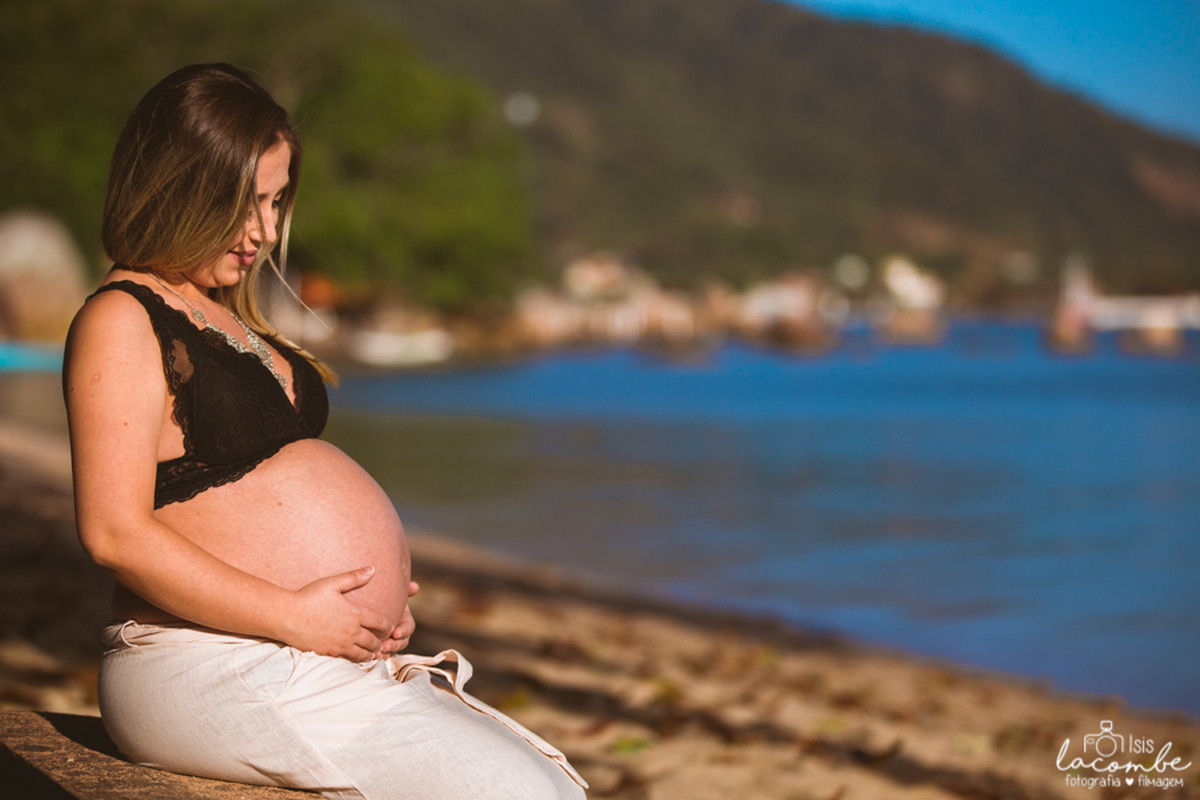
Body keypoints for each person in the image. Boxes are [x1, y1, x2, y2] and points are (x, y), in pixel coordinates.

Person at [62, 63, 587, 800]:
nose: (267, 230)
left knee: (554, 786)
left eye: (276, 201)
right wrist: (294, 613)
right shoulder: (122, 318)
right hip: (203, 659)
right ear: (180, 187)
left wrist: (371, 604)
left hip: (292, 653)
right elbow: (113, 534)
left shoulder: (221, 313)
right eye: (245, 203)